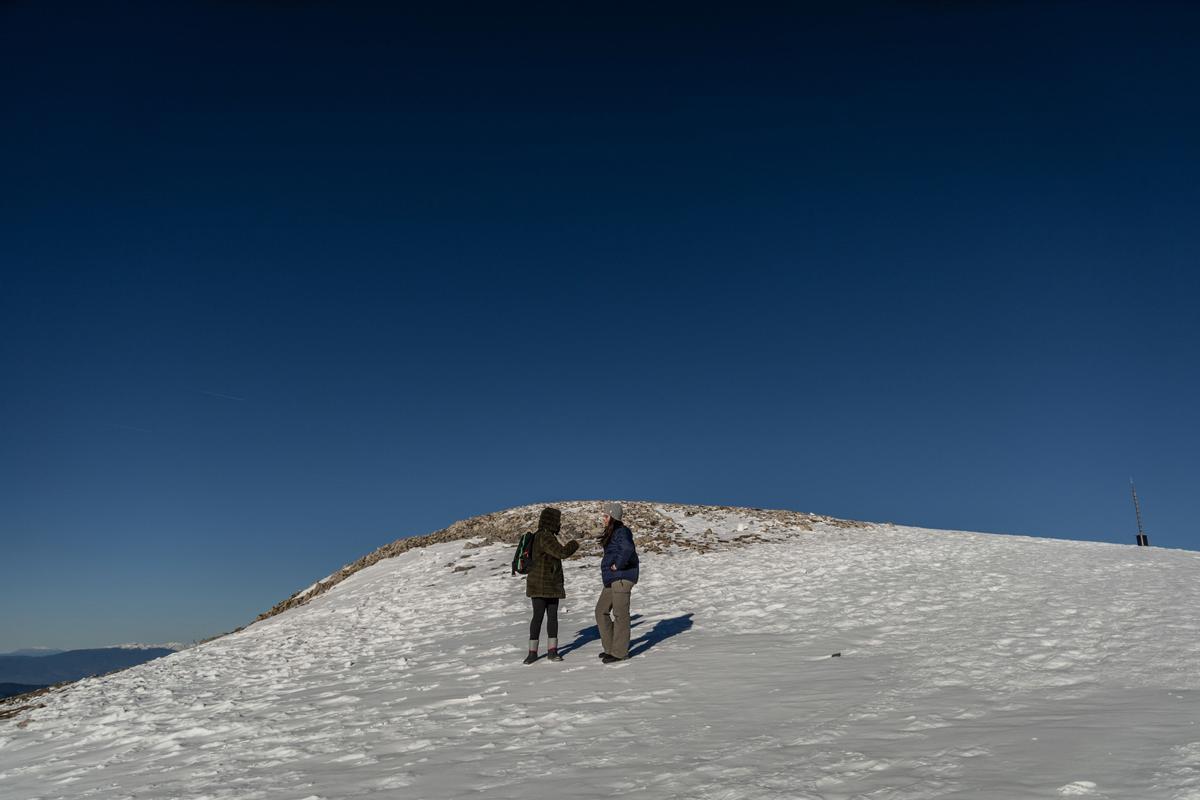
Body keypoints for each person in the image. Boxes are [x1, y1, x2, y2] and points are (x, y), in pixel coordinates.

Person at [523, 506, 579, 664]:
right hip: (548, 586)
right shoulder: (546, 537)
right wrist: (574, 543)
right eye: (558, 521)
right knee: (551, 618)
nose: (559, 525)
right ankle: (551, 652)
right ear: (552, 522)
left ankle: (532, 653)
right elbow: (561, 553)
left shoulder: (536, 536)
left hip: (537, 585)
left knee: (537, 618)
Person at [595, 502, 639, 663]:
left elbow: (627, 548)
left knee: (620, 615)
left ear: (613, 517)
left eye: (606, 516)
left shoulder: (622, 531)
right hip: (612, 579)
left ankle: (620, 652)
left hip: (622, 577)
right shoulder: (613, 532)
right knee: (601, 611)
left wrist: (617, 564)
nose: (603, 519)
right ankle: (611, 648)